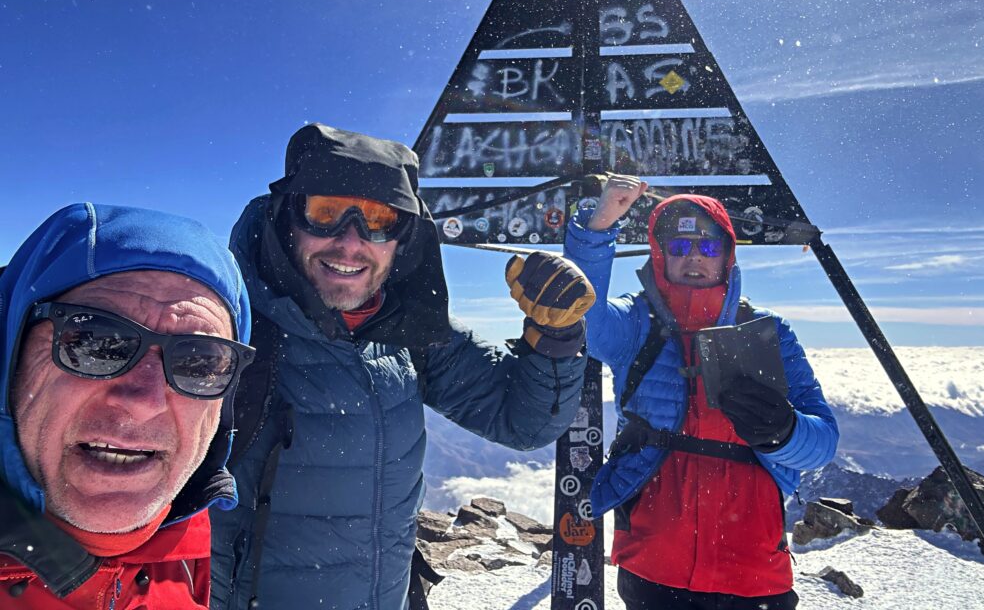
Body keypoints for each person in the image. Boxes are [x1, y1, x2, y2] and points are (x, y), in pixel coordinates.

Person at [210, 124, 594, 610]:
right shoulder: (225, 332)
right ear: (287, 217)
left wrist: (554, 337)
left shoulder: (407, 332)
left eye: (379, 218)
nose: (350, 242)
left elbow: (524, 423)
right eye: (326, 212)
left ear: (404, 237)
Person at [565, 175, 839, 610]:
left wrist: (785, 431)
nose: (694, 256)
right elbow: (581, 315)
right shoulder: (636, 323)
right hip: (654, 566)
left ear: (727, 255)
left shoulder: (768, 332)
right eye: (679, 246)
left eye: (708, 247)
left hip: (753, 571)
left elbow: (823, 444)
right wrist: (597, 229)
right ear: (660, 254)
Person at [0, 203, 255, 609]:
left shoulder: (185, 540)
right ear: (10, 356)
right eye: (96, 343)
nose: (144, 402)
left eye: (199, 363)